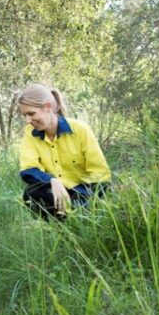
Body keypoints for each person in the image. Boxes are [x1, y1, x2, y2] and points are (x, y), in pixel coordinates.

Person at [16, 84, 111, 218]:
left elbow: (100, 175)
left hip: (84, 192)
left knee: (85, 209)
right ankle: (58, 226)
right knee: (31, 193)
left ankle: (79, 218)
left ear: (48, 107)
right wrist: (53, 181)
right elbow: (28, 170)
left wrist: (85, 199)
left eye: (31, 114)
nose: (27, 120)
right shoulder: (30, 133)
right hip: (55, 192)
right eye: (24, 115)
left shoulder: (80, 129)